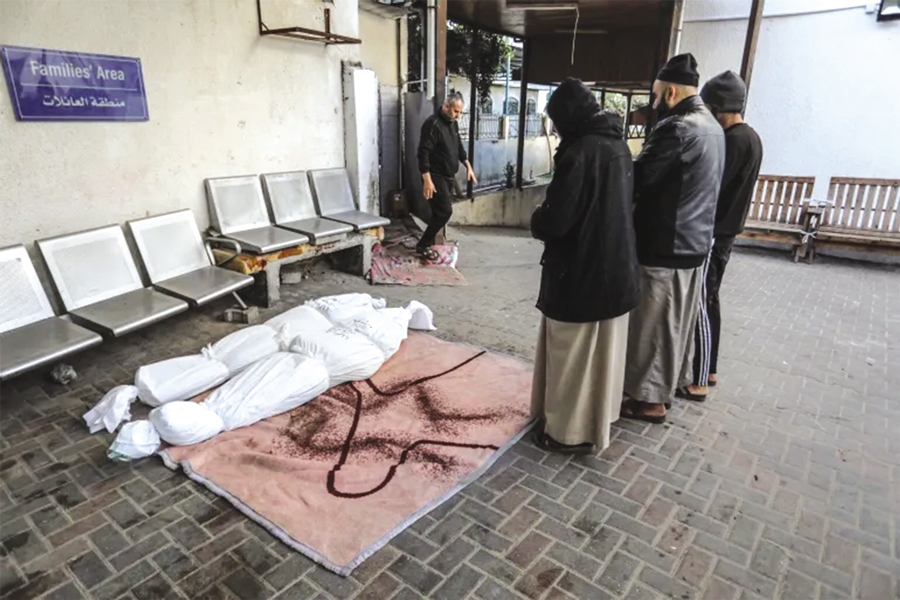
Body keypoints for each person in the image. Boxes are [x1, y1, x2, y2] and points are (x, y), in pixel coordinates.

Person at [530, 78, 641, 454]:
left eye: (556, 121)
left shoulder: (578, 153)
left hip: (581, 275)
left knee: (571, 360)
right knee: (602, 360)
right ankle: (600, 420)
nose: (556, 130)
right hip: (616, 271)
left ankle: (565, 434)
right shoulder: (618, 146)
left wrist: (537, 218)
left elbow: (557, 220)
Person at [620, 53, 725, 424]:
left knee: (654, 326)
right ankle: (662, 390)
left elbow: (640, 177)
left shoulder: (676, 127)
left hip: (666, 244)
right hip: (693, 243)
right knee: (673, 325)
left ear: (671, 91)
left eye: (656, 94)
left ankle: (650, 401)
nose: (653, 102)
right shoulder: (712, 125)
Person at [677, 71, 763, 402]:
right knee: (710, 299)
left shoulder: (734, 140)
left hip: (715, 234)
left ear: (718, 107)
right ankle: (709, 368)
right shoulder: (751, 136)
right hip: (726, 233)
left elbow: (712, 185)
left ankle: (699, 381)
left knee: (702, 302)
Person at [416, 93, 477, 261]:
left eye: (460, 112)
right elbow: (423, 152)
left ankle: (426, 244)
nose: (458, 116)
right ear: (446, 107)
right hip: (434, 176)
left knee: (439, 212)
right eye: (456, 111)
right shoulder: (432, 124)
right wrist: (427, 180)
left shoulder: (452, 124)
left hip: (448, 175)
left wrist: (468, 166)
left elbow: (458, 146)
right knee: (445, 212)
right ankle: (423, 244)